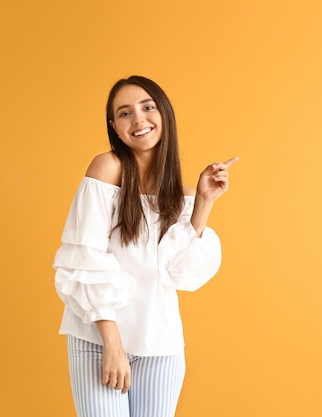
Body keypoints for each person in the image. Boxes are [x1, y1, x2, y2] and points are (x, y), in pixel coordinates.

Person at [53, 75, 238, 417]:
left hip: (160, 345)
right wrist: (113, 344)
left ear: (164, 114)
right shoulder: (107, 168)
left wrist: (203, 203)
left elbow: (179, 274)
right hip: (98, 340)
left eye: (148, 107)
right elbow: (85, 258)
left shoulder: (181, 193)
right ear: (114, 126)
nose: (138, 118)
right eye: (125, 113)